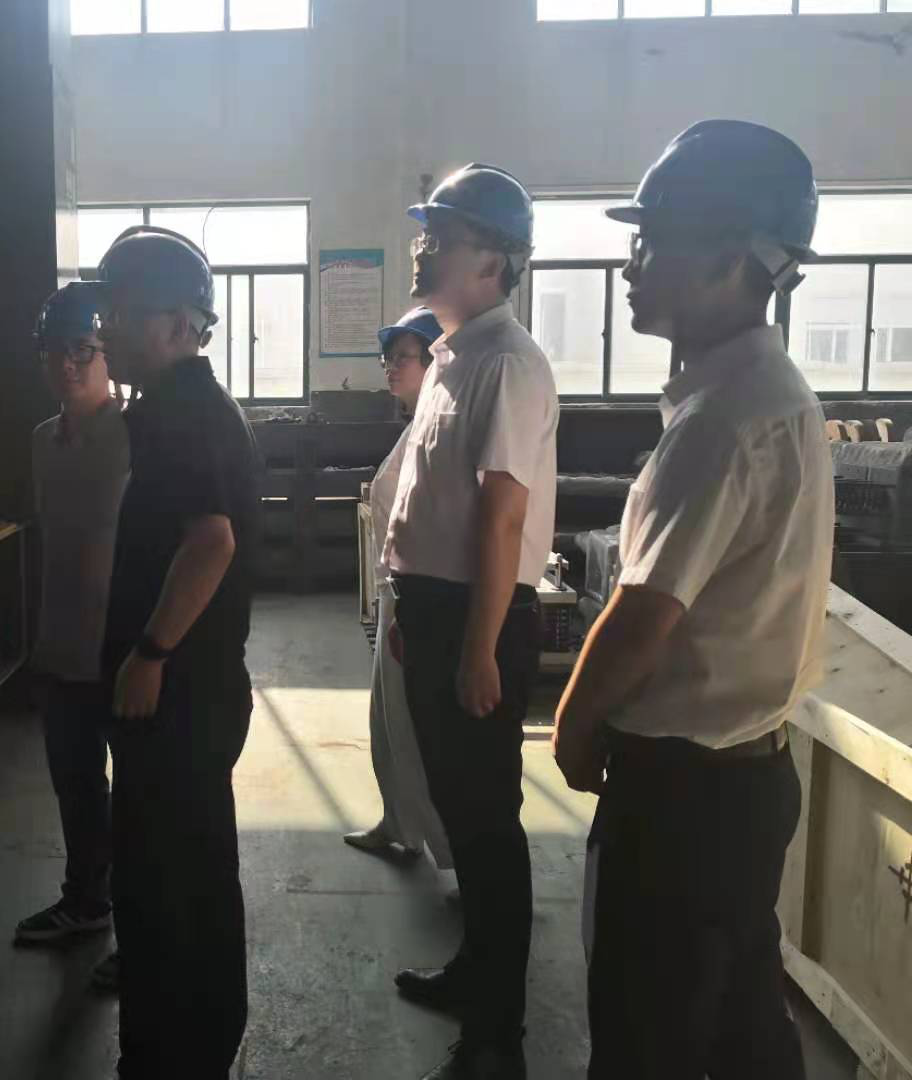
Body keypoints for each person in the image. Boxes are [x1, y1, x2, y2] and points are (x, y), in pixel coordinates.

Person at [554, 120, 829, 1080]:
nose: (631, 264)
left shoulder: (722, 420)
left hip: (682, 801)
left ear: (730, 257)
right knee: (742, 1025)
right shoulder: (771, 394)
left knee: (645, 1039)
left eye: (653, 239)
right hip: (742, 784)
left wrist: (572, 724)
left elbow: (644, 614)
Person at [385, 164, 559, 1080]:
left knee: (489, 827)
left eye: (441, 235)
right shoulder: (453, 357)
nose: (422, 247)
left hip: (476, 619)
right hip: (438, 612)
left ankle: (498, 1033)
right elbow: (436, 505)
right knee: (462, 813)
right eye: (426, 232)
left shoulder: (508, 363)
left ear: (492, 258)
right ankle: (474, 972)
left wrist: (479, 648)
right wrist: (407, 607)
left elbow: (501, 516)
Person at [92, 225, 259, 1080]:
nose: (105, 331)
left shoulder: (182, 411)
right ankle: (190, 1041)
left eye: (117, 313)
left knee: (166, 884)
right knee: (185, 871)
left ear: (173, 324)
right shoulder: (178, 405)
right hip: (194, 693)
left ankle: (172, 1054)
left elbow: (210, 541)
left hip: (180, 695)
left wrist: (150, 653)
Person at [15, 282, 128, 994]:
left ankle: (144, 930)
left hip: (123, 648)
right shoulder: (41, 442)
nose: (67, 365)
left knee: (141, 799)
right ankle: (86, 901)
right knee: (76, 787)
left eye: (82, 350)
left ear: (107, 354)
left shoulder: (137, 435)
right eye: (55, 351)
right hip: (61, 646)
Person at [344, 307, 453, 870]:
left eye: (403, 357)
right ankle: (399, 823)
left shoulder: (440, 429)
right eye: (388, 357)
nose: (391, 366)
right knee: (387, 723)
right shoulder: (416, 425)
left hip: (415, 597)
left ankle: (455, 852)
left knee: (415, 728)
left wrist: (408, 609)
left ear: (435, 361)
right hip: (395, 593)